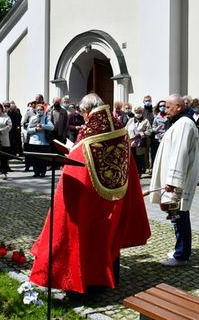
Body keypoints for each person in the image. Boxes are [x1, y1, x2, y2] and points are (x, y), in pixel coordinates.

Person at [29, 93, 151, 293]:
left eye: (83, 114)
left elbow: (78, 163)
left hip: (89, 196)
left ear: (86, 111)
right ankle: (112, 277)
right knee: (108, 236)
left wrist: (69, 156)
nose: (84, 117)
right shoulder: (119, 125)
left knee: (86, 237)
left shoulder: (88, 131)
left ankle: (87, 282)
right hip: (116, 194)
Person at [149, 94, 199, 267]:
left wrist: (172, 181)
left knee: (180, 215)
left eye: (168, 107)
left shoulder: (184, 124)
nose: (165, 110)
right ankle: (181, 250)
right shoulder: (180, 123)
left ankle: (181, 255)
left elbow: (180, 153)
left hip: (177, 182)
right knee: (176, 215)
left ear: (178, 106)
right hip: (174, 180)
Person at [26, 103, 54, 177]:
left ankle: (42, 172)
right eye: (38, 110)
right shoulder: (33, 118)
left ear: (43, 110)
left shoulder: (46, 118)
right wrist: (35, 129)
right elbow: (28, 130)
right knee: (35, 158)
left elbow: (52, 127)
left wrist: (42, 126)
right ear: (35, 110)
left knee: (43, 159)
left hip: (43, 142)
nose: (39, 111)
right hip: (34, 142)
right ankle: (36, 172)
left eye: (41, 110)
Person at [125, 106, 152, 177]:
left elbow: (149, 131)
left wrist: (141, 134)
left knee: (140, 158)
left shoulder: (146, 121)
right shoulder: (130, 120)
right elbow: (125, 130)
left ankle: (139, 173)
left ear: (142, 113)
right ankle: (132, 173)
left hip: (140, 143)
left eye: (139, 112)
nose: (137, 114)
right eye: (136, 112)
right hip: (131, 142)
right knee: (132, 158)